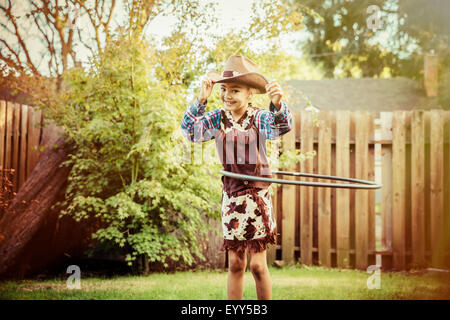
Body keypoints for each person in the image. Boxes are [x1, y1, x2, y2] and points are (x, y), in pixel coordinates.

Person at [180, 55, 293, 300]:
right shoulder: (217, 118)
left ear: (250, 93)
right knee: (235, 264)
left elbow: (280, 127)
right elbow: (190, 132)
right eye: (223, 90)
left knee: (257, 266)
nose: (227, 95)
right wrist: (201, 98)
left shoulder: (260, 117)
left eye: (235, 90)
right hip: (231, 199)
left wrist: (278, 103)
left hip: (257, 198)